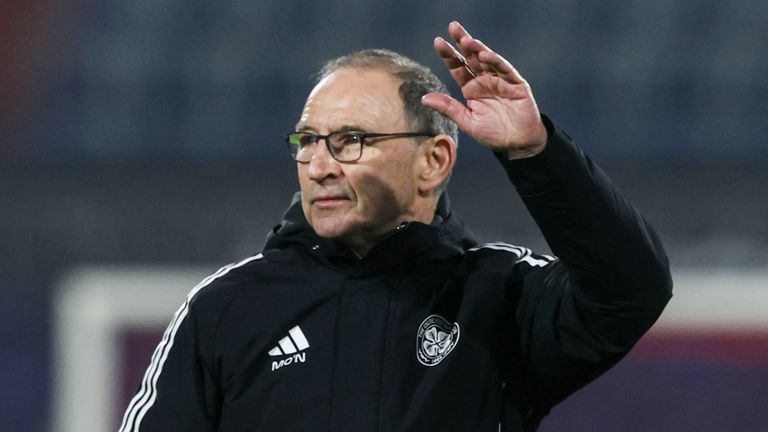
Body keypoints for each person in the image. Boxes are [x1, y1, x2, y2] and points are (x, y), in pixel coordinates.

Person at [119, 21, 672, 432]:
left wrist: (536, 152)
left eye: (351, 141)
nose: (319, 165)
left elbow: (633, 290)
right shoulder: (227, 307)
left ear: (433, 161)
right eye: (308, 140)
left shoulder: (499, 296)